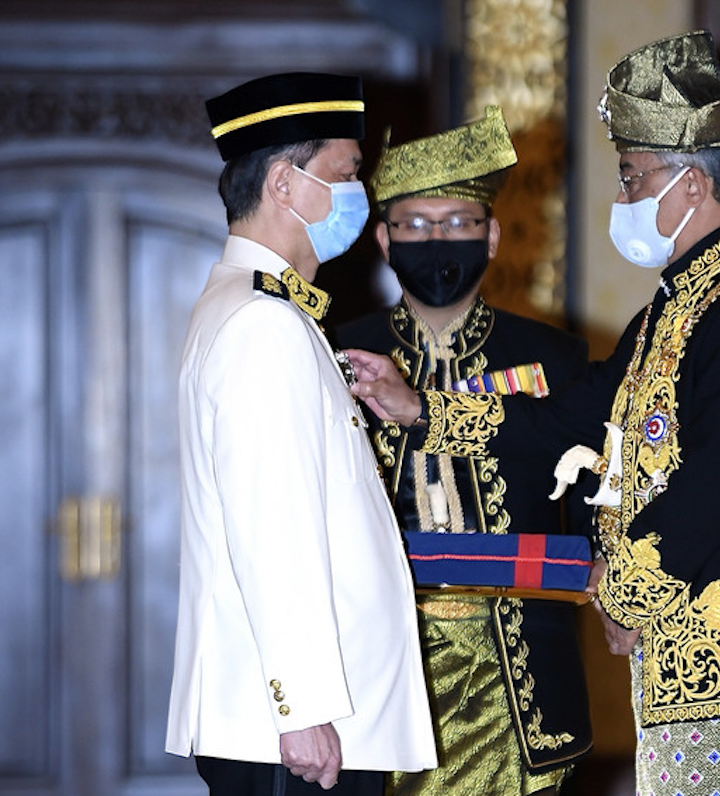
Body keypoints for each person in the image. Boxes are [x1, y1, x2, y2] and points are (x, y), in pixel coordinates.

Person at [348, 32, 720, 796]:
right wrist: (421, 410)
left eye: (633, 176)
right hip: (680, 660)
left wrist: (623, 591)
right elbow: (566, 419)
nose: (624, 197)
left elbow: (716, 482)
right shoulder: (673, 311)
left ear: (690, 185)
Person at [165, 72, 436, 796]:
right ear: (284, 184)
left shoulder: (267, 310)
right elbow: (271, 525)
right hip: (298, 729)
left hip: (296, 721)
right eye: (345, 175)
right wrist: (303, 706)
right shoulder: (263, 324)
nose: (360, 194)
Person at [336, 105, 593, 796]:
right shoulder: (339, 352)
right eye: (415, 225)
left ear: (492, 235)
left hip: (519, 669)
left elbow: (595, 501)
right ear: (384, 240)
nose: (437, 240)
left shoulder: (555, 358)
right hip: (382, 661)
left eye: (457, 223)